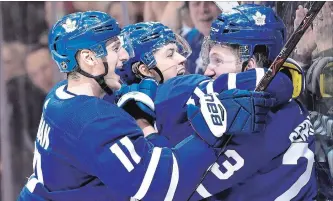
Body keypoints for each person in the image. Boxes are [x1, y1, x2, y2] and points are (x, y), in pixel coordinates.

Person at [17, 11, 275, 201]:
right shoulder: (93, 119)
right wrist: (210, 133)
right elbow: (158, 187)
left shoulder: (59, 96)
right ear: (89, 59)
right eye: (116, 48)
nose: (125, 55)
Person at [118, 4, 316, 201]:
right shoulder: (282, 105)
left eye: (218, 61)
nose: (207, 71)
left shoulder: (253, 118)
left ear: (251, 66)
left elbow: (167, 190)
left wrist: (145, 127)